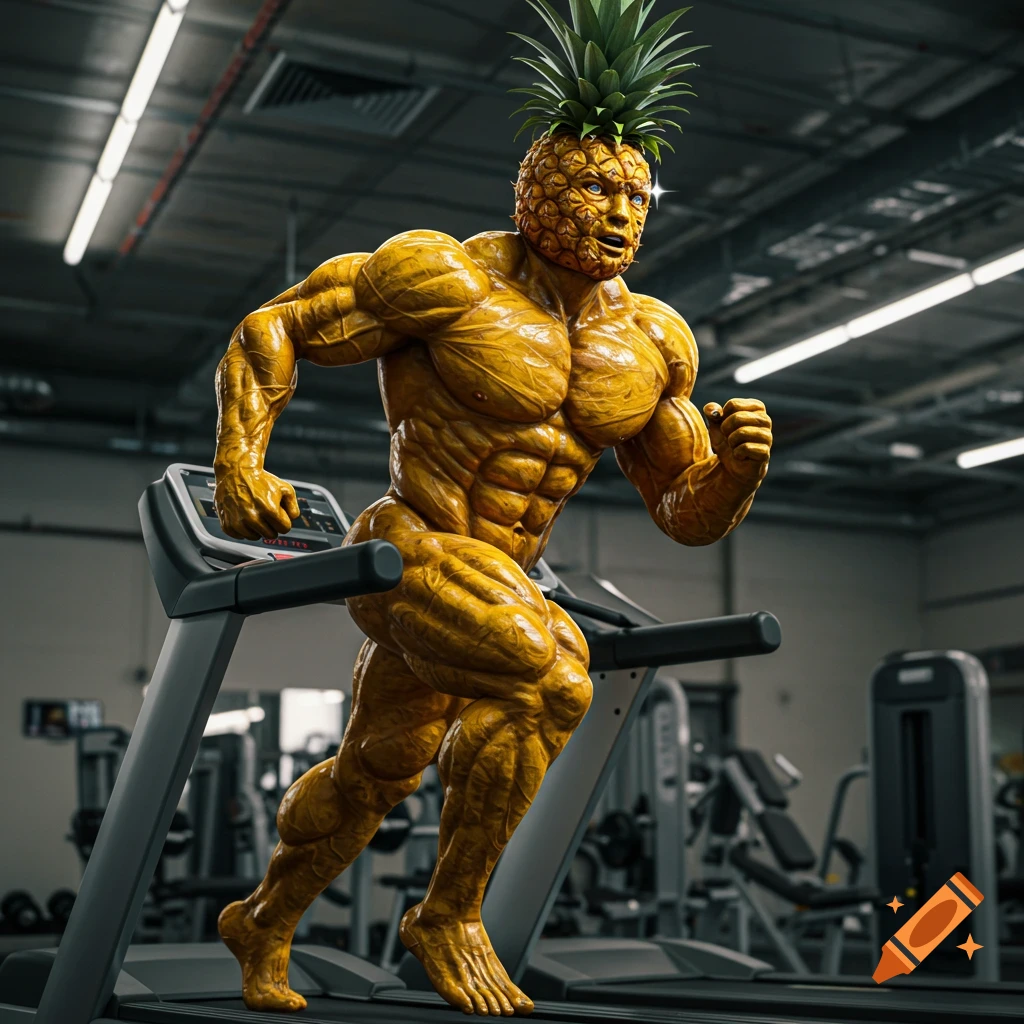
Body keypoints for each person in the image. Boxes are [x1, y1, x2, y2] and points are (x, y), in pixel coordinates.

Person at [213, 1, 772, 1015]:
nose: (621, 211)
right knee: (551, 673)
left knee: (377, 769)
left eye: (638, 194)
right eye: (597, 186)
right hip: (407, 543)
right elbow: (275, 328)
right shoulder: (447, 278)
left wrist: (733, 472)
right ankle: (448, 915)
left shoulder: (653, 344)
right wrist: (239, 466)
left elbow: (682, 514)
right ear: (539, 187)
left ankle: (263, 918)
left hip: (500, 575)